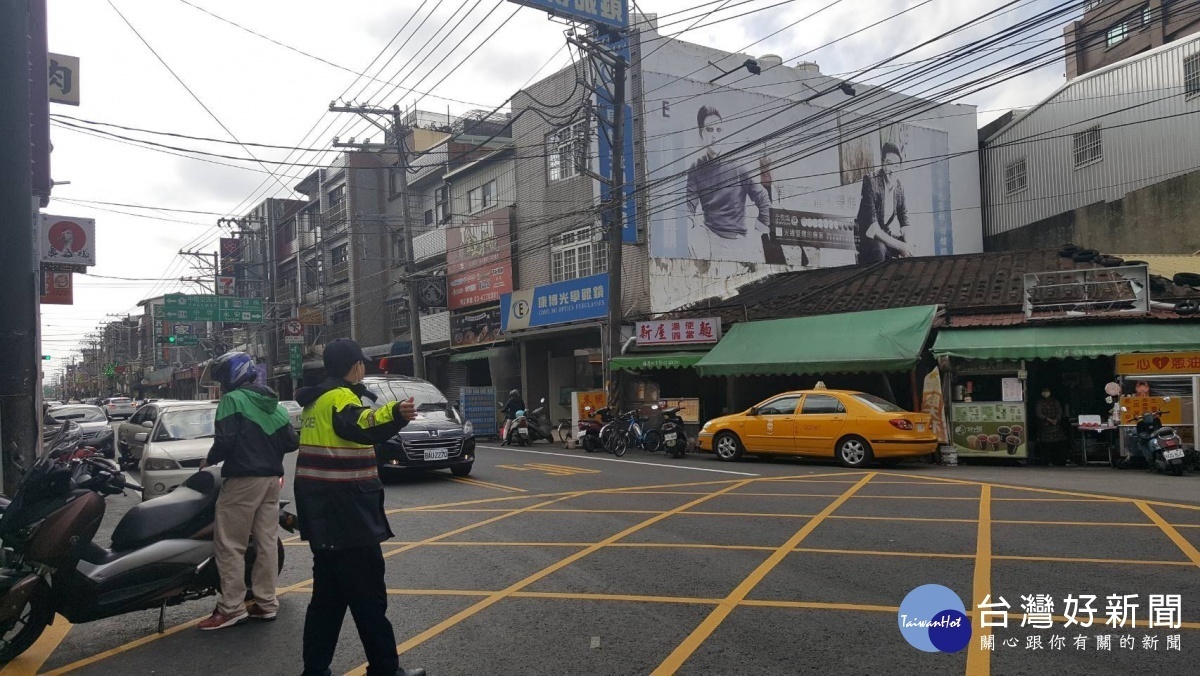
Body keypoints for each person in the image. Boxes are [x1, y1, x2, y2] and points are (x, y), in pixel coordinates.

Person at [293, 339, 425, 676]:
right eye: (361, 364)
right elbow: (362, 424)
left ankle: (315, 670)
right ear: (354, 367)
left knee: (327, 602)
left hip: (325, 517)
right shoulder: (340, 398)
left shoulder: (315, 402)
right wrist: (395, 413)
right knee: (370, 600)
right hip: (349, 517)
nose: (363, 368)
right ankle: (385, 669)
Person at [198, 351, 299, 631]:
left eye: (221, 380)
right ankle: (266, 603)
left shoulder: (233, 401)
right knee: (266, 543)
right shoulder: (274, 406)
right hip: (271, 481)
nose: (221, 386)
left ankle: (231, 608)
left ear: (233, 376)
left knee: (231, 544)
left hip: (242, 480)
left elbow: (225, 440)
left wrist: (209, 460)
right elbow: (291, 443)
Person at [686, 105, 772, 262]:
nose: (714, 136)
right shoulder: (696, 168)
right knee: (694, 237)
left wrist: (757, 233)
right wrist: (687, 225)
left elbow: (763, 198)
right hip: (709, 238)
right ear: (701, 134)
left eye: (719, 130)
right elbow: (688, 207)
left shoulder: (737, 165)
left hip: (737, 241)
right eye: (710, 130)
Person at [854, 142, 914, 263]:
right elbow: (874, 229)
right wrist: (901, 246)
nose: (892, 170)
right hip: (867, 237)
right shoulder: (870, 182)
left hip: (885, 234)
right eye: (889, 164)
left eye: (896, 166)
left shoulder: (899, 187)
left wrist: (908, 244)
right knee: (879, 249)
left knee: (911, 250)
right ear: (882, 163)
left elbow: (904, 220)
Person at [1035, 387, 1068, 466]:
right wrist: (1049, 419)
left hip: (1056, 425)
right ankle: (1048, 461)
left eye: (1047, 391)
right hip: (1045, 426)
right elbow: (1039, 413)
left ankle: (1059, 460)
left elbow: (1060, 411)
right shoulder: (1039, 403)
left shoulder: (1055, 401)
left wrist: (1056, 419)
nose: (1046, 393)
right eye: (1044, 391)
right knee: (1046, 445)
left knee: (1058, 444)